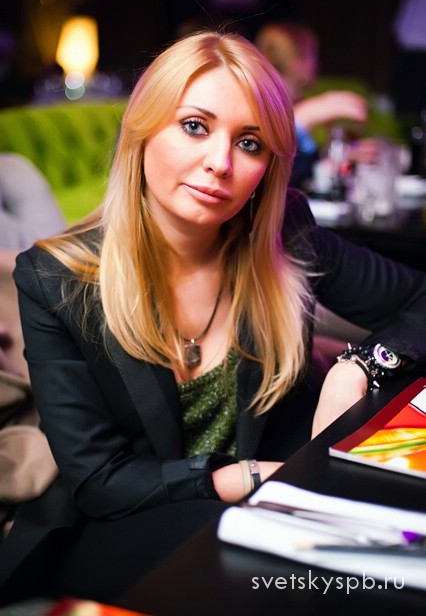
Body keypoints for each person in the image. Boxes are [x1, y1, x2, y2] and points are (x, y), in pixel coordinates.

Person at [1, 30, 426, 606]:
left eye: (249, 143)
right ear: (142, 129)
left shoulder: (283, 232)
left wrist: (360, 365)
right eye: (195, 126)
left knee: (389, 566)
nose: (220, 164)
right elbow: (101, 480)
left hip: (271, 497)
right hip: (123, 520)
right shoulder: (55, 280)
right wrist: (247, 476)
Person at [254, 21, 381, 186]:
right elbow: (271, 168)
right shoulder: (262, 104)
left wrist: (344, 155)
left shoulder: (298, 102)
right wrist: (307, 114)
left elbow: (299, 166)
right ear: (296, 64)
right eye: (312, 56)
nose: (316, 64)